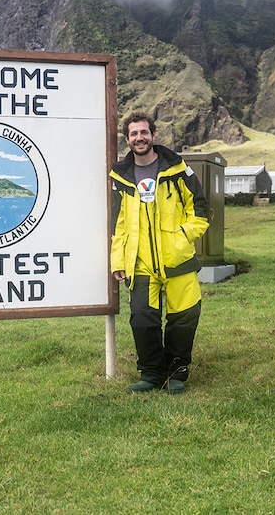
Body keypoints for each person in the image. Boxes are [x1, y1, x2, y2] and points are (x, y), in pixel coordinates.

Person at [109, 112, 209, 394]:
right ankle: (151, 374)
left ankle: (176, 373)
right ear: (127, 139)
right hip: (139, 262)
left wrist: (182, 237)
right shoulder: (121, 177)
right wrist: (118, 260)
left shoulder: (177, 169)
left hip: (177, 260)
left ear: (152, 135)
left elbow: (200, 210)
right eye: (133, 134)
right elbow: (117, 223)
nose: (139, 138)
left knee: (184, 317)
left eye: (143, 132)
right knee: (142, 318)